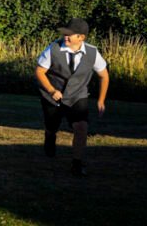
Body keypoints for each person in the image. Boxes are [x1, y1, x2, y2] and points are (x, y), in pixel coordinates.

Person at [35, 18, 110, 177]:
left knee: (81, 127)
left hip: (78, 95)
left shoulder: (92, 53)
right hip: (53, 96)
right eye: (65, 34)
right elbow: (39, 71)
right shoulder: (53, 48)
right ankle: (50, 136)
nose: (65, 37)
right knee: (51, 125)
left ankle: (77, 163)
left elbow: (104, 76)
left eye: (70, 34)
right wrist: (51, 90)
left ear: (81, 37)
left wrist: (101, 100)